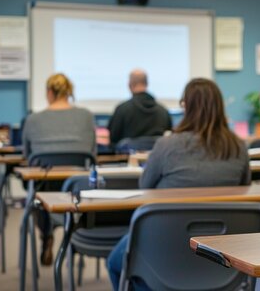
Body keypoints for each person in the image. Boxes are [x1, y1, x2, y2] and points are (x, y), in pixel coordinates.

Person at [107, 78, 250, 291]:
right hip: (225, 251)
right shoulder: (237, 146)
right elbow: (245, 187)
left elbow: (145, 185)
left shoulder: (167, 144)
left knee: (115, 263)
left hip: (165, 243)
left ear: (186, 106)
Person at [22, 73, 96, 266]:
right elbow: (93, 153)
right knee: (71, 184)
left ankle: (46, 234)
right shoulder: (86, 116)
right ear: (69, 92)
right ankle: (74, 235)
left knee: (40, 188)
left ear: (49, 93)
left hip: (46, 185)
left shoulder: (33, 119)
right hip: (78, 188)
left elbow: (27, 156)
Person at [107, 69, 172, 146]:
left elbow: (113, 139)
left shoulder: (122, 109)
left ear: (129, 84)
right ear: (147, 84)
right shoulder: (163, 111)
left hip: (127, 157)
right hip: (157, 157)